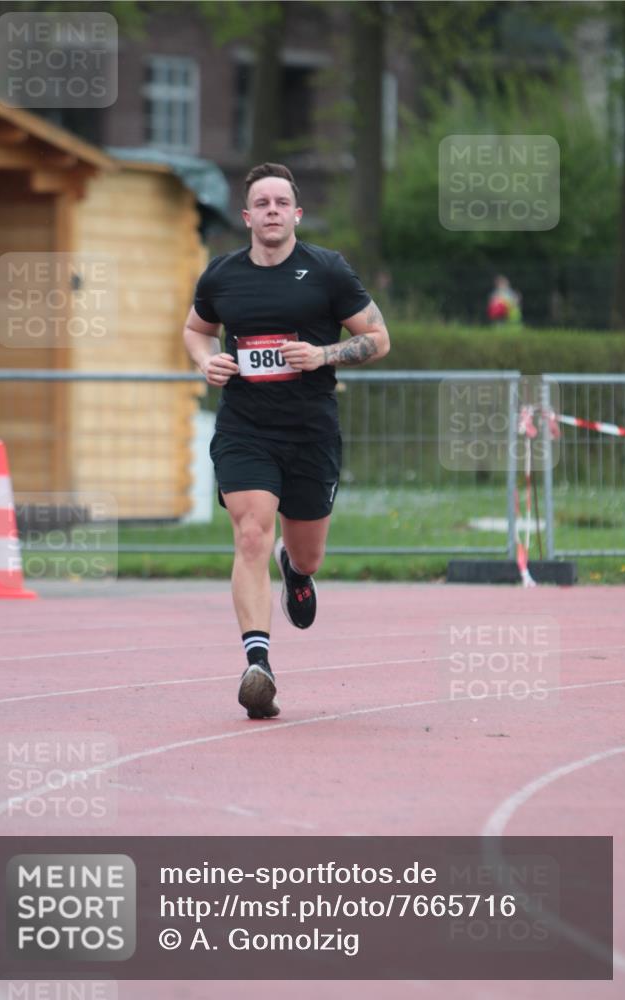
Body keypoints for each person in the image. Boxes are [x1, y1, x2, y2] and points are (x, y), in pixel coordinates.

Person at [183, 162, 390, 720]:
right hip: (245, 429)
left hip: (310, 431)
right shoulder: (221, 275)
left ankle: (295, 573)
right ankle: (259, 666)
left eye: (281, 203)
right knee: (250, 533)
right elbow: (195, 329)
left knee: (308, 551)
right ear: (247, 216)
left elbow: (379, 338)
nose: (271, 211)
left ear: (296, 214)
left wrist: (324, 354)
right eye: (262, 203)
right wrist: (209, 362)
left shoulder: (326, 270)